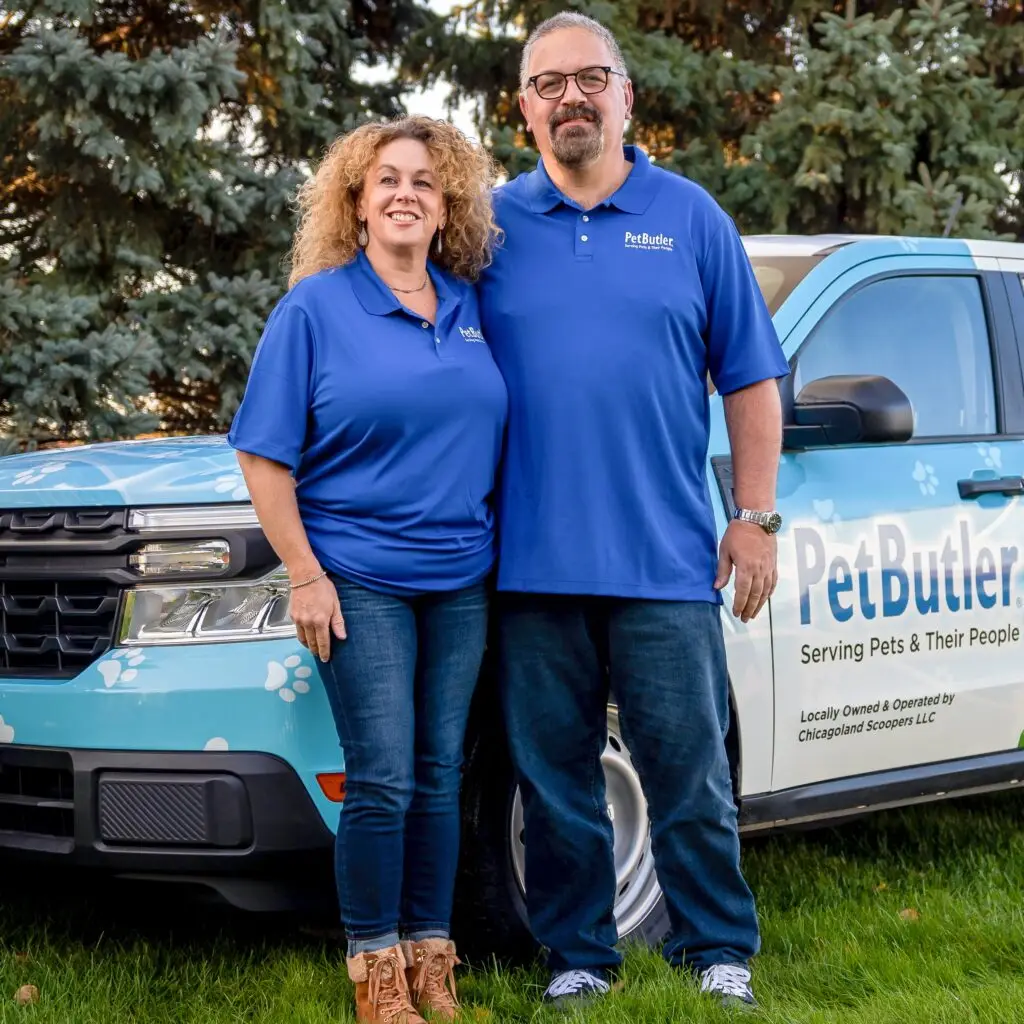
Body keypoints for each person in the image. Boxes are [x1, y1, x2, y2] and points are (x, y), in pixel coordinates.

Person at [475, 11, 789, 1011]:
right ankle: (579, 953)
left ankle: (715, 947)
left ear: (625, 95)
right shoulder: (487, 227)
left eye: (590, 78)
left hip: (664, 557)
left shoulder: (690, 216)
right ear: (525, 108)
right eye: (549, 83)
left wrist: (754, 513)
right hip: (526, 563)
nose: (572, 96)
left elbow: (749, 379)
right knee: (556, 779)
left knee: (686, 768)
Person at [227, 116, 508, 1024]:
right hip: (359, 580)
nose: (404, 194)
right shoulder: (315, 309)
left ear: (445, 206)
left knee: (438, 772)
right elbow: (265, 457)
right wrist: (305, 574)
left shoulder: (472, 307)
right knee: (383, 773)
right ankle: (374, 969)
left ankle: (432, 955)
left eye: (424, 182)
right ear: (355, 202)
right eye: (386, 179)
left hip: (462, 577)